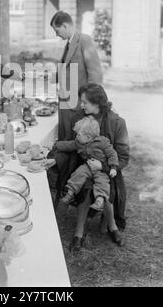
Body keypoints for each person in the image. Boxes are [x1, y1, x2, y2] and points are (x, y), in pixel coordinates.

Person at [54, 83, 130, 251]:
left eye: (84, 102)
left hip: (108, 169)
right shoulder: (80, 118)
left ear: (97, 103)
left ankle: (112, 227)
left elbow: (123, 157)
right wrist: (54, 157)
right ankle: (79, 233)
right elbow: (73, 144)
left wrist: (102, 166)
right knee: (86, 186)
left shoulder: (117, 123)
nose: (81, 105)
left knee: (101, 186)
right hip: (83, 165)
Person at [50, 11, 103, 141]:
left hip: (78, 107)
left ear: (65, 26)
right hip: (65, 107)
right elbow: (62, 74)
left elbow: (95, 76)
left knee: (77, 147)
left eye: (57, 31)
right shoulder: (68, 44)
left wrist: (91, 108)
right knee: (64, 145)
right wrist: (38, 78)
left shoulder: (85, 41)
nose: (56, 35)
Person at [56, 115, 118, 212]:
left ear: (88, 137)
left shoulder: (103, 142)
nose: (76, 136)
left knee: (102, 182)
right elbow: (68, 145)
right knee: (78, 173)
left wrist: (113, 167)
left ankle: (100, 201)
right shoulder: (79, 143)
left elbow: (112, 154)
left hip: (101, 169)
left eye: (78, 135)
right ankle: (69, 194)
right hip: (88, 166)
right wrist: (56, 145)